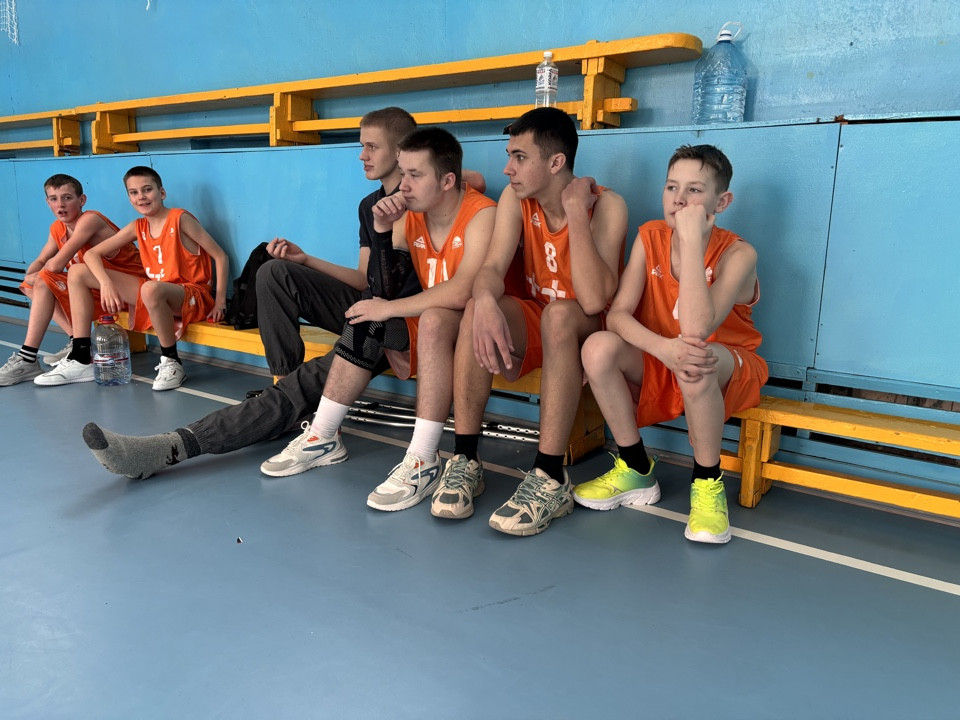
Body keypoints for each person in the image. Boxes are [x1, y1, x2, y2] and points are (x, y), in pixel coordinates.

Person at [80, 123, 489, 482]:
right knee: (276, 272)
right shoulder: (376, 208)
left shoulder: (436, 199)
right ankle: (277, 394)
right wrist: (308, 259)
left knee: (356, 337)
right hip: (377, 314)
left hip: (402, 322)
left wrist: (415, 188)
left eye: (371, 146)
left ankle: (202, 436)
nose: (361, 155)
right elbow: (371, 282)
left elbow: (468, 185)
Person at [259, 126, 496, 514]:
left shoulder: (482, 213)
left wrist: (385, 308)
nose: (404, 185)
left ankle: (423, 457)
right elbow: (387, 287)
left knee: (422, 317)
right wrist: (384, 232)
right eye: (403, 174)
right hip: (428, 320)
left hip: (475, 325)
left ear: (447, 181)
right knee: (365, 318)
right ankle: (323, 436)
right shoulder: (409, 214)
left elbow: (463, 290)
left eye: (414, 175)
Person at [431, 106, 628, 536]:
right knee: (478, 309)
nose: (508, 168)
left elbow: (594, 300)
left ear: (556, 163)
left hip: (590, 328)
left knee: (559, 316)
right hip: (543, 318)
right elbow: (492, 267)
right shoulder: (515, 198)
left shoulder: (607, 205)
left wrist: (575, 212)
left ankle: (550, 476)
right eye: (509, 156)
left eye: (519, 157)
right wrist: (485, 300)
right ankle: (465, 459)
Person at [571, 144, 768, 544]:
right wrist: (662, 348)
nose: (679, 198)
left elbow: (697, 329)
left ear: (721, 202)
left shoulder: (739, 254)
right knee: (597, 347)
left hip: (725, 364)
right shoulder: (649, 237)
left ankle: (707, 482)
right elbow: (618, 315)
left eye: (694, 190)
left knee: (698, 359)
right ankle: (635, 466)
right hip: (667, 355)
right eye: (671, 187)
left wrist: (692, 242)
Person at [35, 166, 230, 391]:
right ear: (129, 198)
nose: (141, 197)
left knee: (150, 288)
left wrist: (220, 301)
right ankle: (80, 356)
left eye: (147, 190)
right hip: (156, 291)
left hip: (192, 295)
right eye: (134, 192)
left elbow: (220, 256)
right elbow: (91, 255)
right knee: (78, 272)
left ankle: (171, 362)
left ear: (162, 193)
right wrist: (106, 283)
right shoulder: (138, 226)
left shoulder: (179, 218)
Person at [0, 174, 143, 387]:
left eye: (67, 198)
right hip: (99, 290)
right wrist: (31, 276)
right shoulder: (57, 228)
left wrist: (38, 274)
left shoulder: (90, 220)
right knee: (32, 284)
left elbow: (55, 265)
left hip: (127, 288)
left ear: (81, 200)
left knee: (47, 277)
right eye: (54, 199)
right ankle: (65, 344)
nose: (60, 204)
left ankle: (41, 355)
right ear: (47, 202)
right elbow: (41, 261)